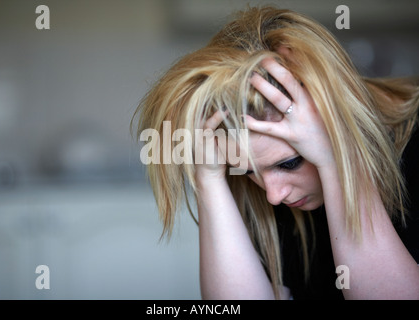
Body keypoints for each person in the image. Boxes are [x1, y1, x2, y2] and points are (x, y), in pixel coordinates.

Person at [132, 6, 419, 299]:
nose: (273, 195)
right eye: (246, 171)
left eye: (290, 163)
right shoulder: (256, 195)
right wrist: (209, 178)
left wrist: (338, 157)